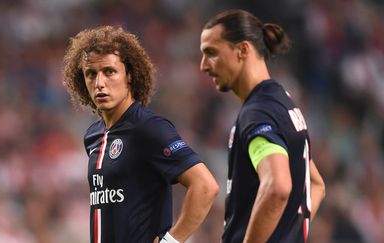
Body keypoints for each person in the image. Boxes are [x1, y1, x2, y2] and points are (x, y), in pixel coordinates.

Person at [62, 25, 219, 243]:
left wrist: (171, 241)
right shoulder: (93, 136)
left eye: (109, 71)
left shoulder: (148, 128)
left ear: (130, 76)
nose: (99, 83)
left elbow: (205, 185)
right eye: (91, 74)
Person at [199, 9, 325, 243]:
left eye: (212, 53)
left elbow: (277, 186)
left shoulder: (258, 114)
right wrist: (289, 235)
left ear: (243, 50)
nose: (204, 66)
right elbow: (316, 185)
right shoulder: (282, 103)